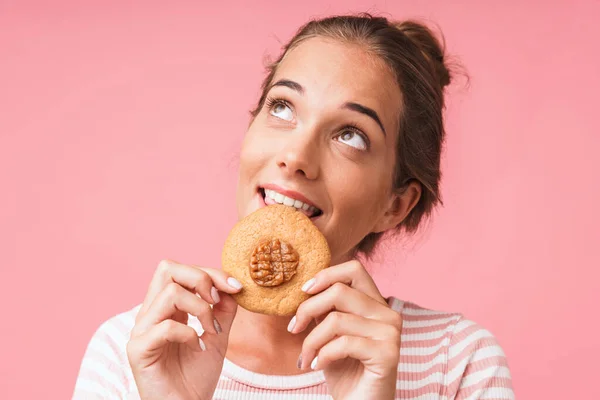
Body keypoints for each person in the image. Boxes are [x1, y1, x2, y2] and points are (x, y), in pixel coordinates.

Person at [73, 14, 514, 399]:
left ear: (395, 205)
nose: (296, 156)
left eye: (351, 135)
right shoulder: (133, 353)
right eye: (282, 107)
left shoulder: (456, 364)